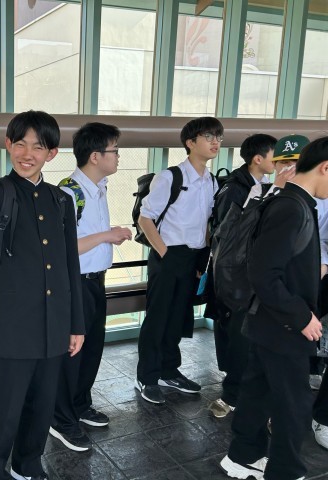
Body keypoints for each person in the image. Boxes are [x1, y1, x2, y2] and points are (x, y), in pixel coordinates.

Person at [0, 110, 85, 480]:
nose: (28, 154)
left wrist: (75, 324)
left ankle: (28, 466)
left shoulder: (61, 200)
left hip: (53, 323)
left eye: (38, 147)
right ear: (8, 145)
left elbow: (69, 266)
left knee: (41, 407)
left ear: (51, 153)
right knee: (3, 412)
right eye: (20, 144)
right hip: (10, 326)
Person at [220, 136, 328, 480]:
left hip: (270, 322)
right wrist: (302, 317)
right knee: (294, 404)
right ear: (325, 168)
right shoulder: (291, 207)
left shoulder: (292, 201)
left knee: (258, 391)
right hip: (284, 324)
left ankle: (242, 455)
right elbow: (264, 274)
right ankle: (285, 471)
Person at [50, 122, 131, 451]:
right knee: (72, 353)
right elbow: (61, 246)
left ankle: (80, 404)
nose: (118, 156)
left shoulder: (100, 187)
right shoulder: (69, 192)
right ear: (95, 156)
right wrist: (107, 235)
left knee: (92, 349)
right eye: (114, 150)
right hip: (75, 285)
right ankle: (60, 418)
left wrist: (106, 235)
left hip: (96, 281)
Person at [135, 116, 222, 404]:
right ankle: (147, 377)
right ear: (190, 142)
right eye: (209, 137)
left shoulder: (211, 181)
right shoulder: (171, 177)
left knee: (178, 317)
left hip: (193, 257)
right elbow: (145, 218)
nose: (215, 142)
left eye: (218, 137)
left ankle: (169, 370)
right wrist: (164, 253)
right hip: (168, 254)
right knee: (158, 318)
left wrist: (202, 260)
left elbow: (207, 223)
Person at [209, 133, 277, 418]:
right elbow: (227, 238)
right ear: (258, 159)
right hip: (239, 276)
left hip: (260, 274)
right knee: (239, 336)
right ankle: (232, 393)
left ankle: (251, 393)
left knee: (255, 338)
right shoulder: (236, 189)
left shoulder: (269, 187)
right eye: (275, 156)